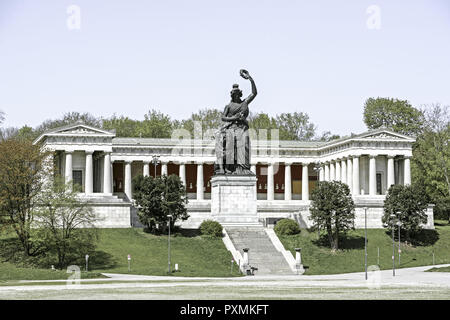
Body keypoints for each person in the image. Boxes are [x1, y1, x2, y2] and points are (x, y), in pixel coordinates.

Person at [215, 69, 257, 175]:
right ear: (232, 95)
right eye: (235, 94)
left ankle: (243, 169)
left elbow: (254, 93)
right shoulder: (229, 106)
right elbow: (223, 118)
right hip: (232, 129)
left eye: (238, 94)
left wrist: (250, 79)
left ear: (240, 94)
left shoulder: (244, 103)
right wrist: (234, 118)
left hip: (243, 128)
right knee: (232, 149)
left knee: (245, 147)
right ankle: (231, 169)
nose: (237, 96)